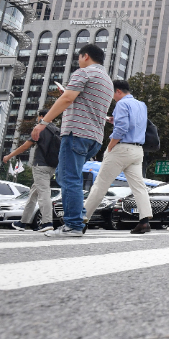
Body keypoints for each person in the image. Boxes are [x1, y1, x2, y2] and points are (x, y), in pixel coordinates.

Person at [33, 44, 113, 237]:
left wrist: (43, 123)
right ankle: (79, 216)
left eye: (79, 58)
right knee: (64, 175)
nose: (78, 61)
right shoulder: (107, 81)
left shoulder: (83, 73)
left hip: (76, 133)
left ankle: (74, 225)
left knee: (70, 178)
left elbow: (67, 99)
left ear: (85, 56)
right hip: (94, 138)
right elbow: (81, 101)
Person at [83, 80, 153, 234]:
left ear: (118, 91)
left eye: (112, 93)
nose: (112, 97)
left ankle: (82, 219)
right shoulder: (141, 105)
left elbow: (122, 128)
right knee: (139, 187)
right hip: (137, 150)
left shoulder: (121, 104)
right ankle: (144, 220)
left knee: (100, 184)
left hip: (121, 148)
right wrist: (112, 120)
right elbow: (135, 124)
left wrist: (110, 146)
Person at [5, 110, 58, 232]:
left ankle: (47, 222)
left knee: (44, 193)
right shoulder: (56, 130)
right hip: (52, 166)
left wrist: (9, 156)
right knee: (33, 194)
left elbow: (25, 146)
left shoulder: (41, 128)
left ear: (41, 117)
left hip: (40, 166)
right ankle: (23, 222)